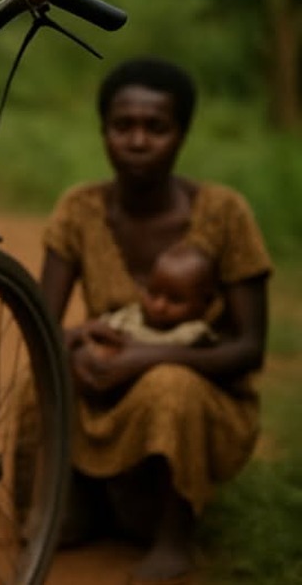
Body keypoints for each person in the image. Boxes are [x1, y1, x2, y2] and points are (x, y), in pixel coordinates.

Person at [39, 57, 272, 585]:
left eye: (156, 127)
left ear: (181, 134)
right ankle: (76, 503)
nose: (138, 141)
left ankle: (175, 534)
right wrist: (78, 340)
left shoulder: (223, 214)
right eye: (123, 126)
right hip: (104, 382)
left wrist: (146, 359)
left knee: (169, 386)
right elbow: (38, 322)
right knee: (46, 371)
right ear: (104, 132)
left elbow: (249, 348)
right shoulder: (79, 209)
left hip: (202, 392)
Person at [84, 240, 219, 365]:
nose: (159, 306)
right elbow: (101, 328)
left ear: (204, 304)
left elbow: (171, 353)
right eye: (153, 294)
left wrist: (124, 344)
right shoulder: (133, 315)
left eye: (175, 300)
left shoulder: (194, 333)